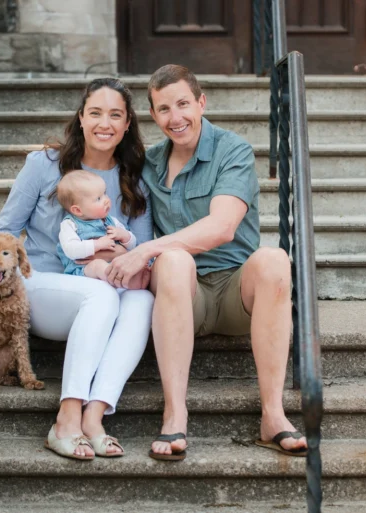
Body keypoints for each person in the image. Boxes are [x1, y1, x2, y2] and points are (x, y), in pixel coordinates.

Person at [105, 64, 308, 460]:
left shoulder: (232, 149)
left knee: (274, 260)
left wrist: (146, 249)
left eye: (183, 104)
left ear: (201, 102)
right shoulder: (149, 163)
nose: (175, 118)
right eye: (164, 109)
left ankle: (273, 414)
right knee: (176, 260)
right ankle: (174, 414)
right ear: (153, 115)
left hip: (236, 291)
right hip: (184, 292)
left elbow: (222, 227)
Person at [0, 78, 153, 460]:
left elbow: (144, 251)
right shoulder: (44, 165)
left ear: (128, 123)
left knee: (143, 302)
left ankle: (95, 415)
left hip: (105, 292)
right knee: (99, 294)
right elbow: (5, 228)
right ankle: (66, 419)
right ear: (81, 118)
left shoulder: (135, 178)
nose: (105, 123)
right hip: (41, 286)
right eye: (95, 113)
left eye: (115, 115)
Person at [55, 169, 147, 289]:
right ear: (77, 210)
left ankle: (133, 278)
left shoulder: (111, 221)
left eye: (105, 193)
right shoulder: (69, 225)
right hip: (84, 270)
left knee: (127, 263)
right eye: (98, 199)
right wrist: (97, 244)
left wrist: (125, 236)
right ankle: (125, 282)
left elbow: (133, 245)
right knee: (98, 265)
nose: (106, 200)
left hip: (115, 265)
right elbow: (71, 250)